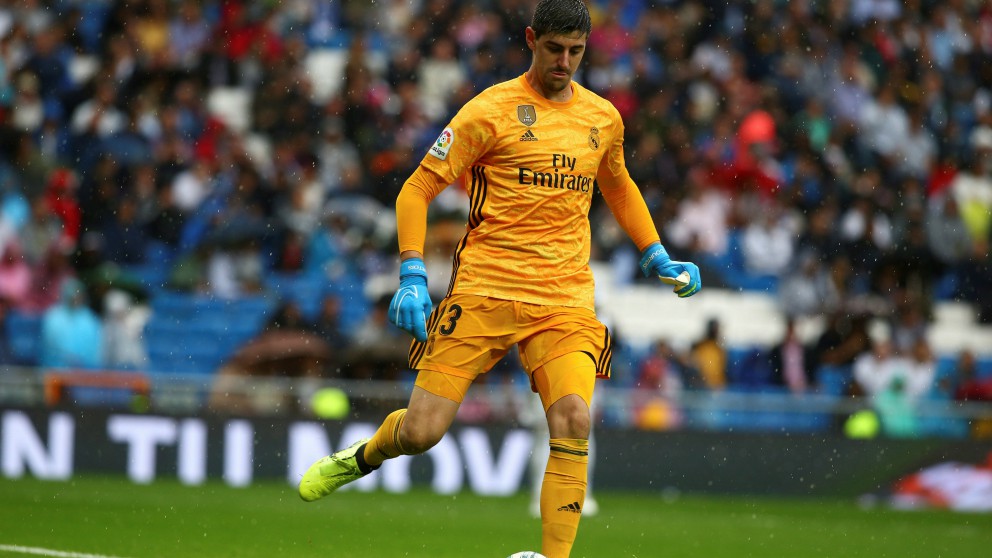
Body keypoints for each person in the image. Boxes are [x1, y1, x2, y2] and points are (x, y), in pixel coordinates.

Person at [297, 2, 701, 556]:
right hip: (485, 287)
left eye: (576, 52)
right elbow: (414, 190)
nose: (564, 62)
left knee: (574, 418)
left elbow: (620, 185)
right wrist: (413, 272)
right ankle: (363, 456)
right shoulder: (490, 110)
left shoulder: (602, 118)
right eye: (554, 49)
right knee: (421, 433)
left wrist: (657, 255)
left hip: (564, 296)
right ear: (532, 39)